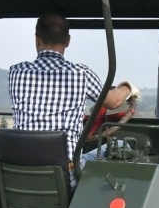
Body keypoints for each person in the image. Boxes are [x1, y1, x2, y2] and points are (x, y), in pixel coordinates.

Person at [8, 13, 140, 181]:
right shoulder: (81, 74)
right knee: (122, 145)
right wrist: (128, 87)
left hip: (19, 173)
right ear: (68, 41)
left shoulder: (16, 72)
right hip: (65, 175)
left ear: (37, 39)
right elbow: (114, 101)